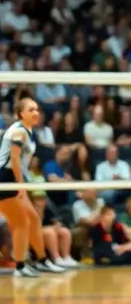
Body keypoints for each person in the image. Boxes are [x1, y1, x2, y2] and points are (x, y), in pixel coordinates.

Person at [0, 96, 64, 277]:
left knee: (34, 219)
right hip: (6, 178)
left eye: (37, 109)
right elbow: (13, 159)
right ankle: (20, 266)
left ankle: (42, 261)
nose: (36, 113)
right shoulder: (19, 132)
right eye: (31, 110)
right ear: (21, 113)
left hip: (14, 178)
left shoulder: (27, 131)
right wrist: (21, 185)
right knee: (22, 223)